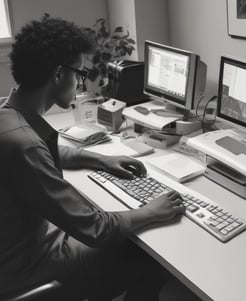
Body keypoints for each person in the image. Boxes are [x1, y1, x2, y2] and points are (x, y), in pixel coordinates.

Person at [0, 15, 185, 300]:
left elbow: (48, 152)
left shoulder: (8, 114)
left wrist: (99, 160)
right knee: (144, 257)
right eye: (80, 74)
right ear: (58, 74)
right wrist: (151, 211)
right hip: (26, 267)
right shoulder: (25, 145)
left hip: (16, 252)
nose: (80, 83)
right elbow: (96, 229)